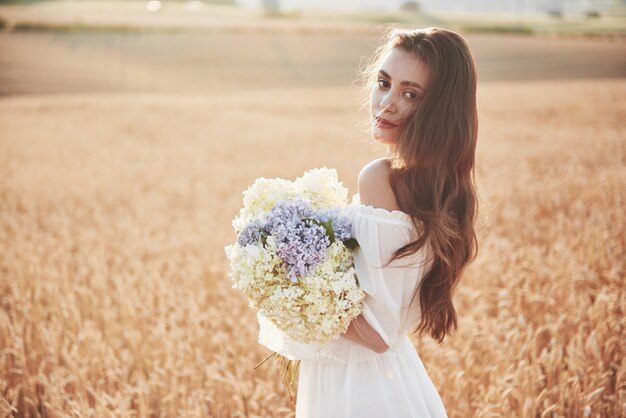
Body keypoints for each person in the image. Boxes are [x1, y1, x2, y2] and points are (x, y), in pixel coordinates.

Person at [259, 26, 479, 417]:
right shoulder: (437, 187)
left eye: (410, 94)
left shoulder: (381, 178)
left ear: (440, 109)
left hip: (360, 391)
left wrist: (292, 280)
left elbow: (376, 333)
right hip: (385, 381)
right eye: (383, 83)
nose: (387, 104)